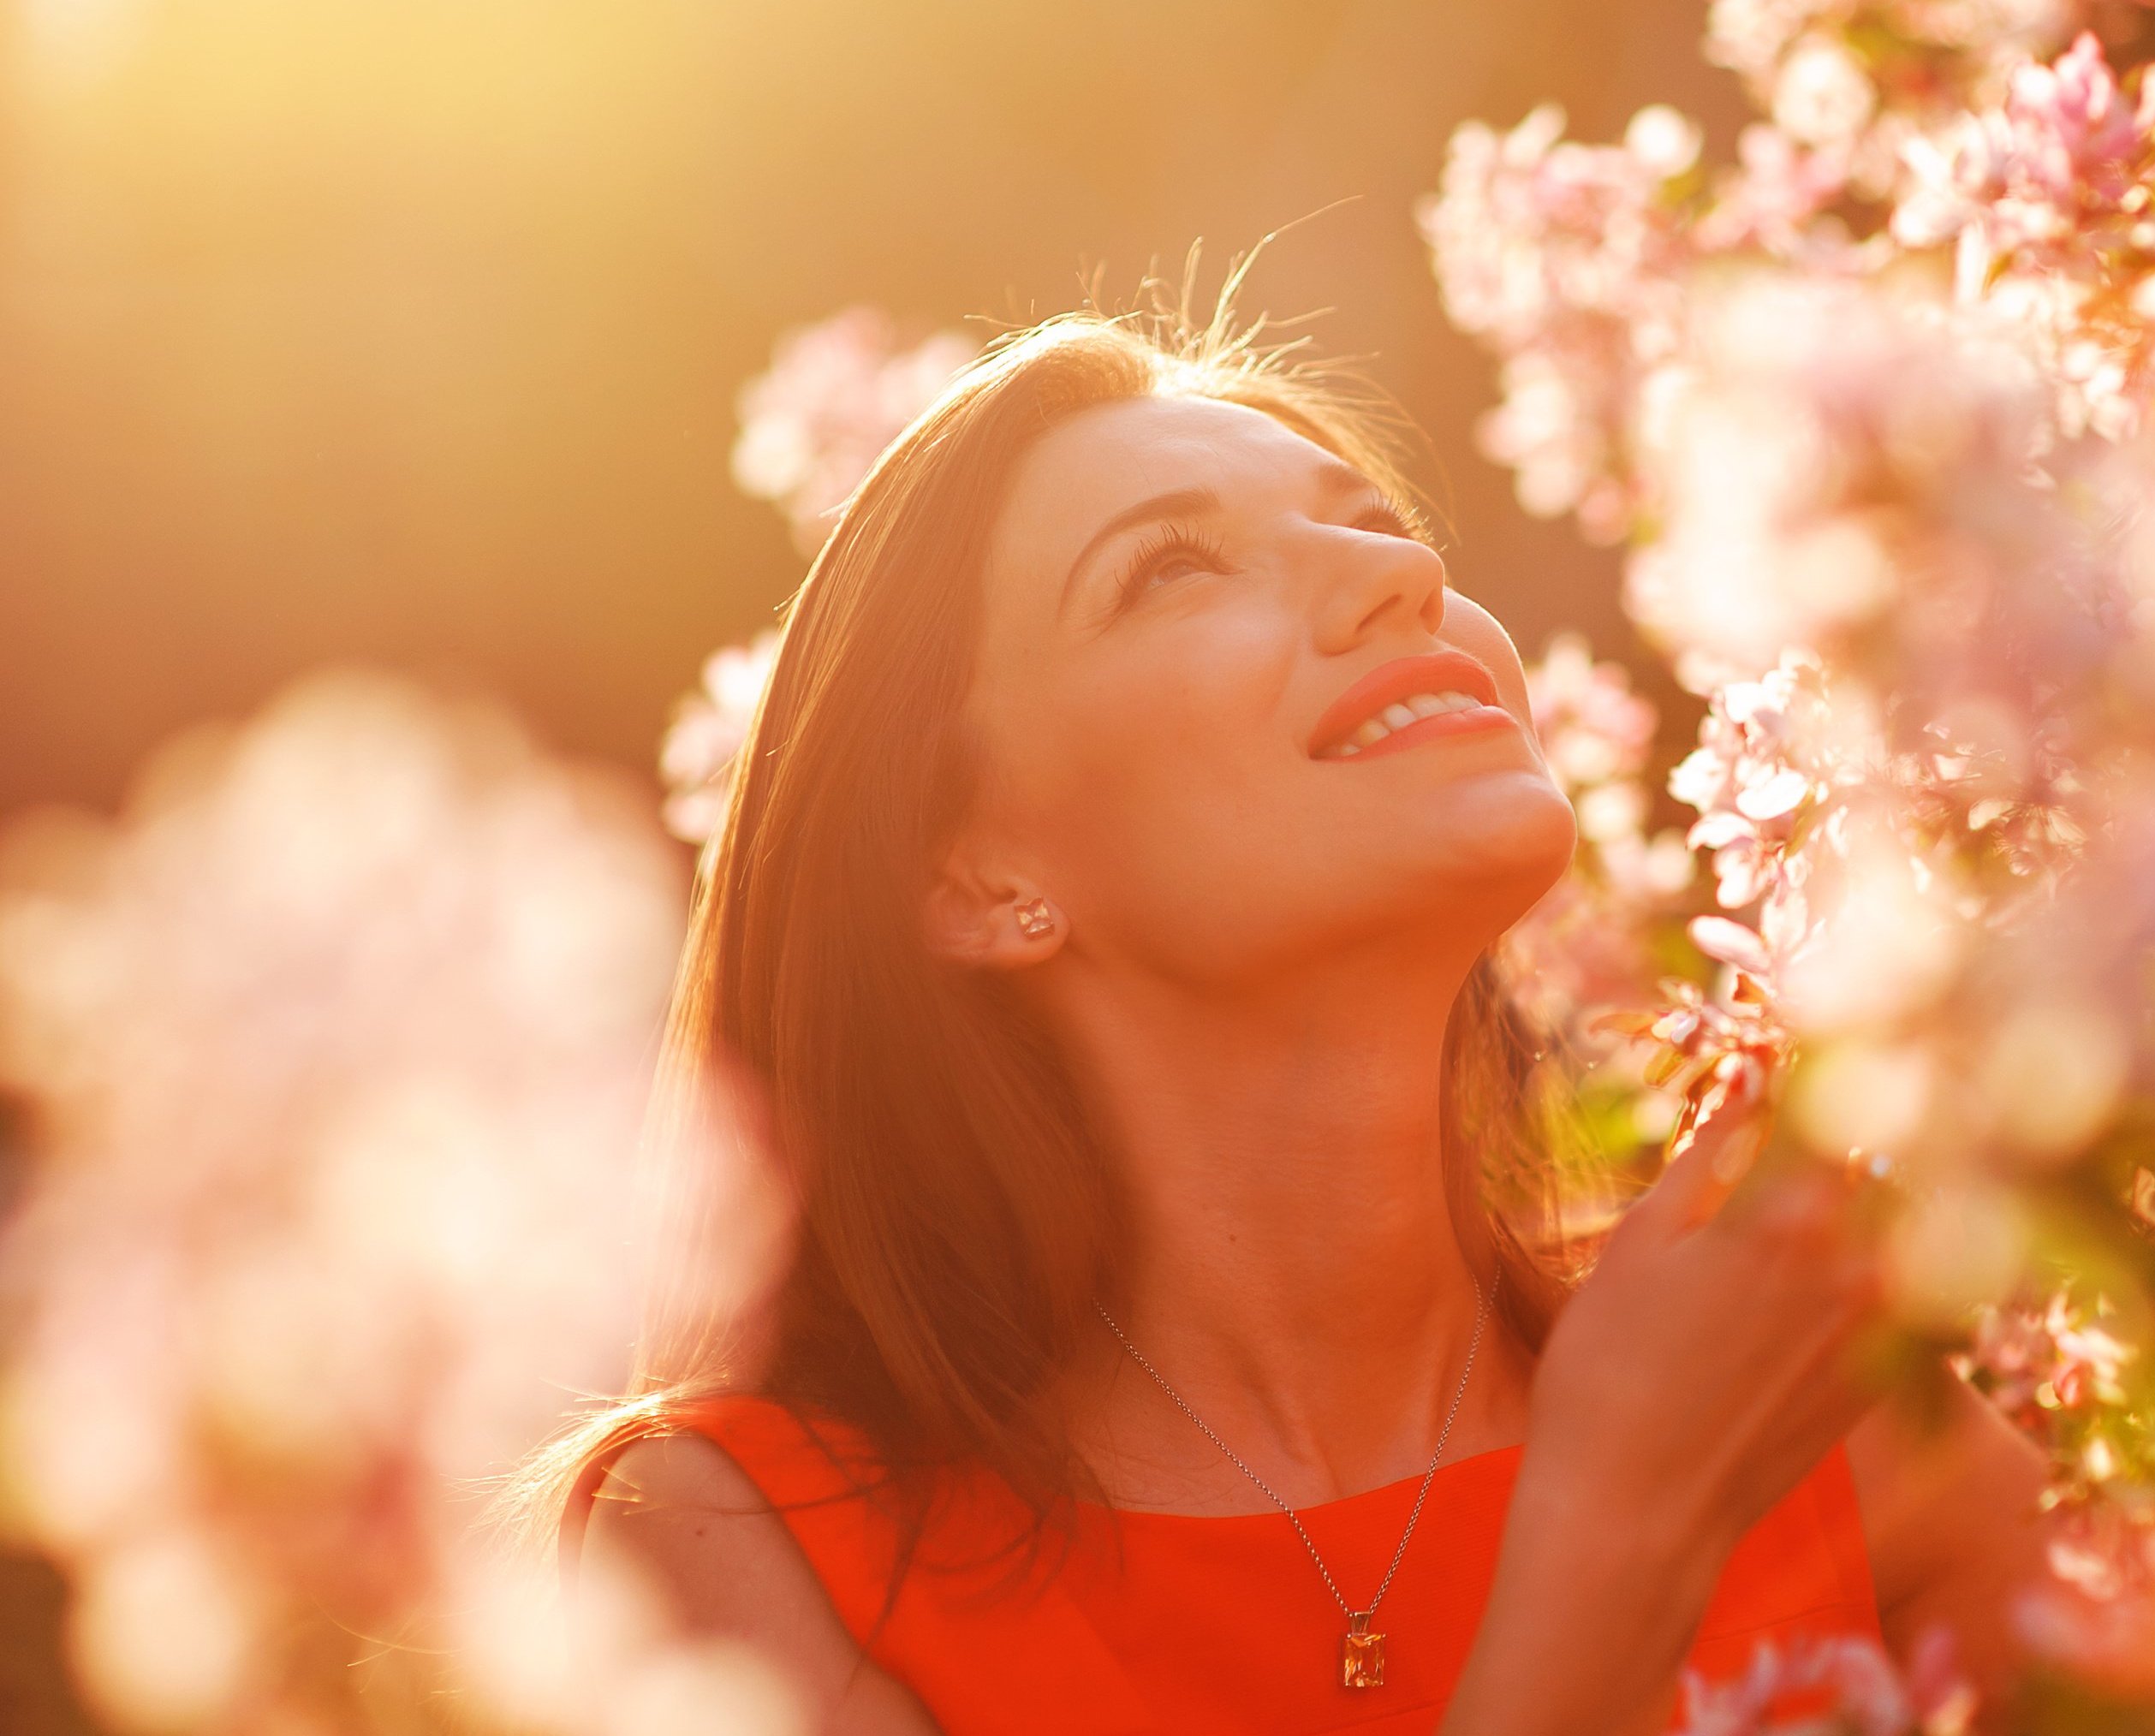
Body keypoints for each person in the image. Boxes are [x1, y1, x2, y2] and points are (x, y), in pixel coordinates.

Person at [540, 301, 2050, 1734]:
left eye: (1379, 526)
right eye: (1172, 571)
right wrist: (1623, 1526)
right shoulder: (745, 1547)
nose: (1398, 582)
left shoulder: (1823, 1417)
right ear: (974, 872)